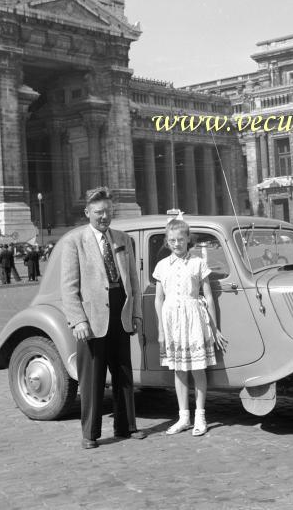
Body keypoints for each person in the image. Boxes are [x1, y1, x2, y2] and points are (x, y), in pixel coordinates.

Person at [60, 186, 146, 449]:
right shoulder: (74, 242)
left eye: (108, 211)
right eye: (98, 212)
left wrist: (136, 314)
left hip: (120, 314)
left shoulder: (122, 239)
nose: (104, 216)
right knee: (92, 380)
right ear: (87, 212)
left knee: (123, 374)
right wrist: (79, 321)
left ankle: (126, 426)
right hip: (92, 319)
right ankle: (90, 434)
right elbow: (68, 287)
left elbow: (133, 279)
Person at [153, 218, 228, 437]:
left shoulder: (197, 263)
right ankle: (183, 416)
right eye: (172, 240)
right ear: (168, 242)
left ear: (188, 239)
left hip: (193, 318)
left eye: (180, 239)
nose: (176, 244)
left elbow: (208, 296)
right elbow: (158, 299)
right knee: (179, 369)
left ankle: (200, 416)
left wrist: (215, 328)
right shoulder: (162, 266)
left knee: (197, 369)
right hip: (172, 321)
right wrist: (161, 330)